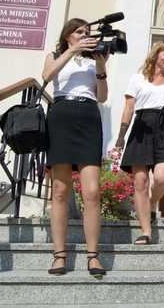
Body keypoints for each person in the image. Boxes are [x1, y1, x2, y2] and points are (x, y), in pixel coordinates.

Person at [42, 18, 108, 276]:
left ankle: (93, 256)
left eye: (87, 32)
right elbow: (47, 76)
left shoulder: (94, 60)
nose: (85, 35)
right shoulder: (56, 54)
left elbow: (102, 96)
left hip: (88, 115)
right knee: (59, 190)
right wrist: (71, 51)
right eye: (79, 31)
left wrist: (101, 65)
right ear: (68, 35)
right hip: (61, 114)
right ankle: (59, 256)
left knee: (91, 192)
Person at [114, 41, 164, 244]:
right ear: (156, 54)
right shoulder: (137, 79)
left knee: (161, 178)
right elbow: (128, 108)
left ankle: (152, 203)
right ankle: (146, 231)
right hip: (141, 128)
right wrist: (121, 136)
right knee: (140, 182)